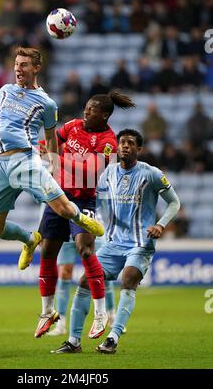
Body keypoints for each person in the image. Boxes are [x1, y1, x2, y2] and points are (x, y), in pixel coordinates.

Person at [0, 46, 104, 270]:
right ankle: (30, 240)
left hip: (25, 161)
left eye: (23, 65)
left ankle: (82, 220)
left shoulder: (46, 103)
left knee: (63, 209)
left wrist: (53, 164)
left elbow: (50, 137)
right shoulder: (5, 90)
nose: (18, 69)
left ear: (36, 68)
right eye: (16, 65)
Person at [51, 129, 180, 354]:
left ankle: (113, 337)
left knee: (128, 280)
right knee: (85, 281)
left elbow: (174, 203)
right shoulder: (107, 173)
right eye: (122, 142)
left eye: (130, 143)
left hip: (140, 243)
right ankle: (73, 341)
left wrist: (160, 225)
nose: (125, 146)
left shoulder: (151, 173)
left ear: (138, 149)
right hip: (113, 243)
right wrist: (95, 223)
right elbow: (98, 201)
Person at [35, 91, 136, 339]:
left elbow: (91, 171)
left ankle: (101, 313)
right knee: (47, 251)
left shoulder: (109, 140)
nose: (86, 111)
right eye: (86, 107)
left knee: (86, 250)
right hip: (57, 195)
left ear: (104, 114)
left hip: (83, 198)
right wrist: (44, 150)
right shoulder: (72, 126)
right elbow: (51, 141)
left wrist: (58, 160)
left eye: (92, 109)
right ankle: (48, 312)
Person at [46, 239, 121, 336]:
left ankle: (111, 317)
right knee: (64, 273)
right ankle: (61, 324)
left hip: (92, 232)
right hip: (67, 236)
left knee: (102, 271)